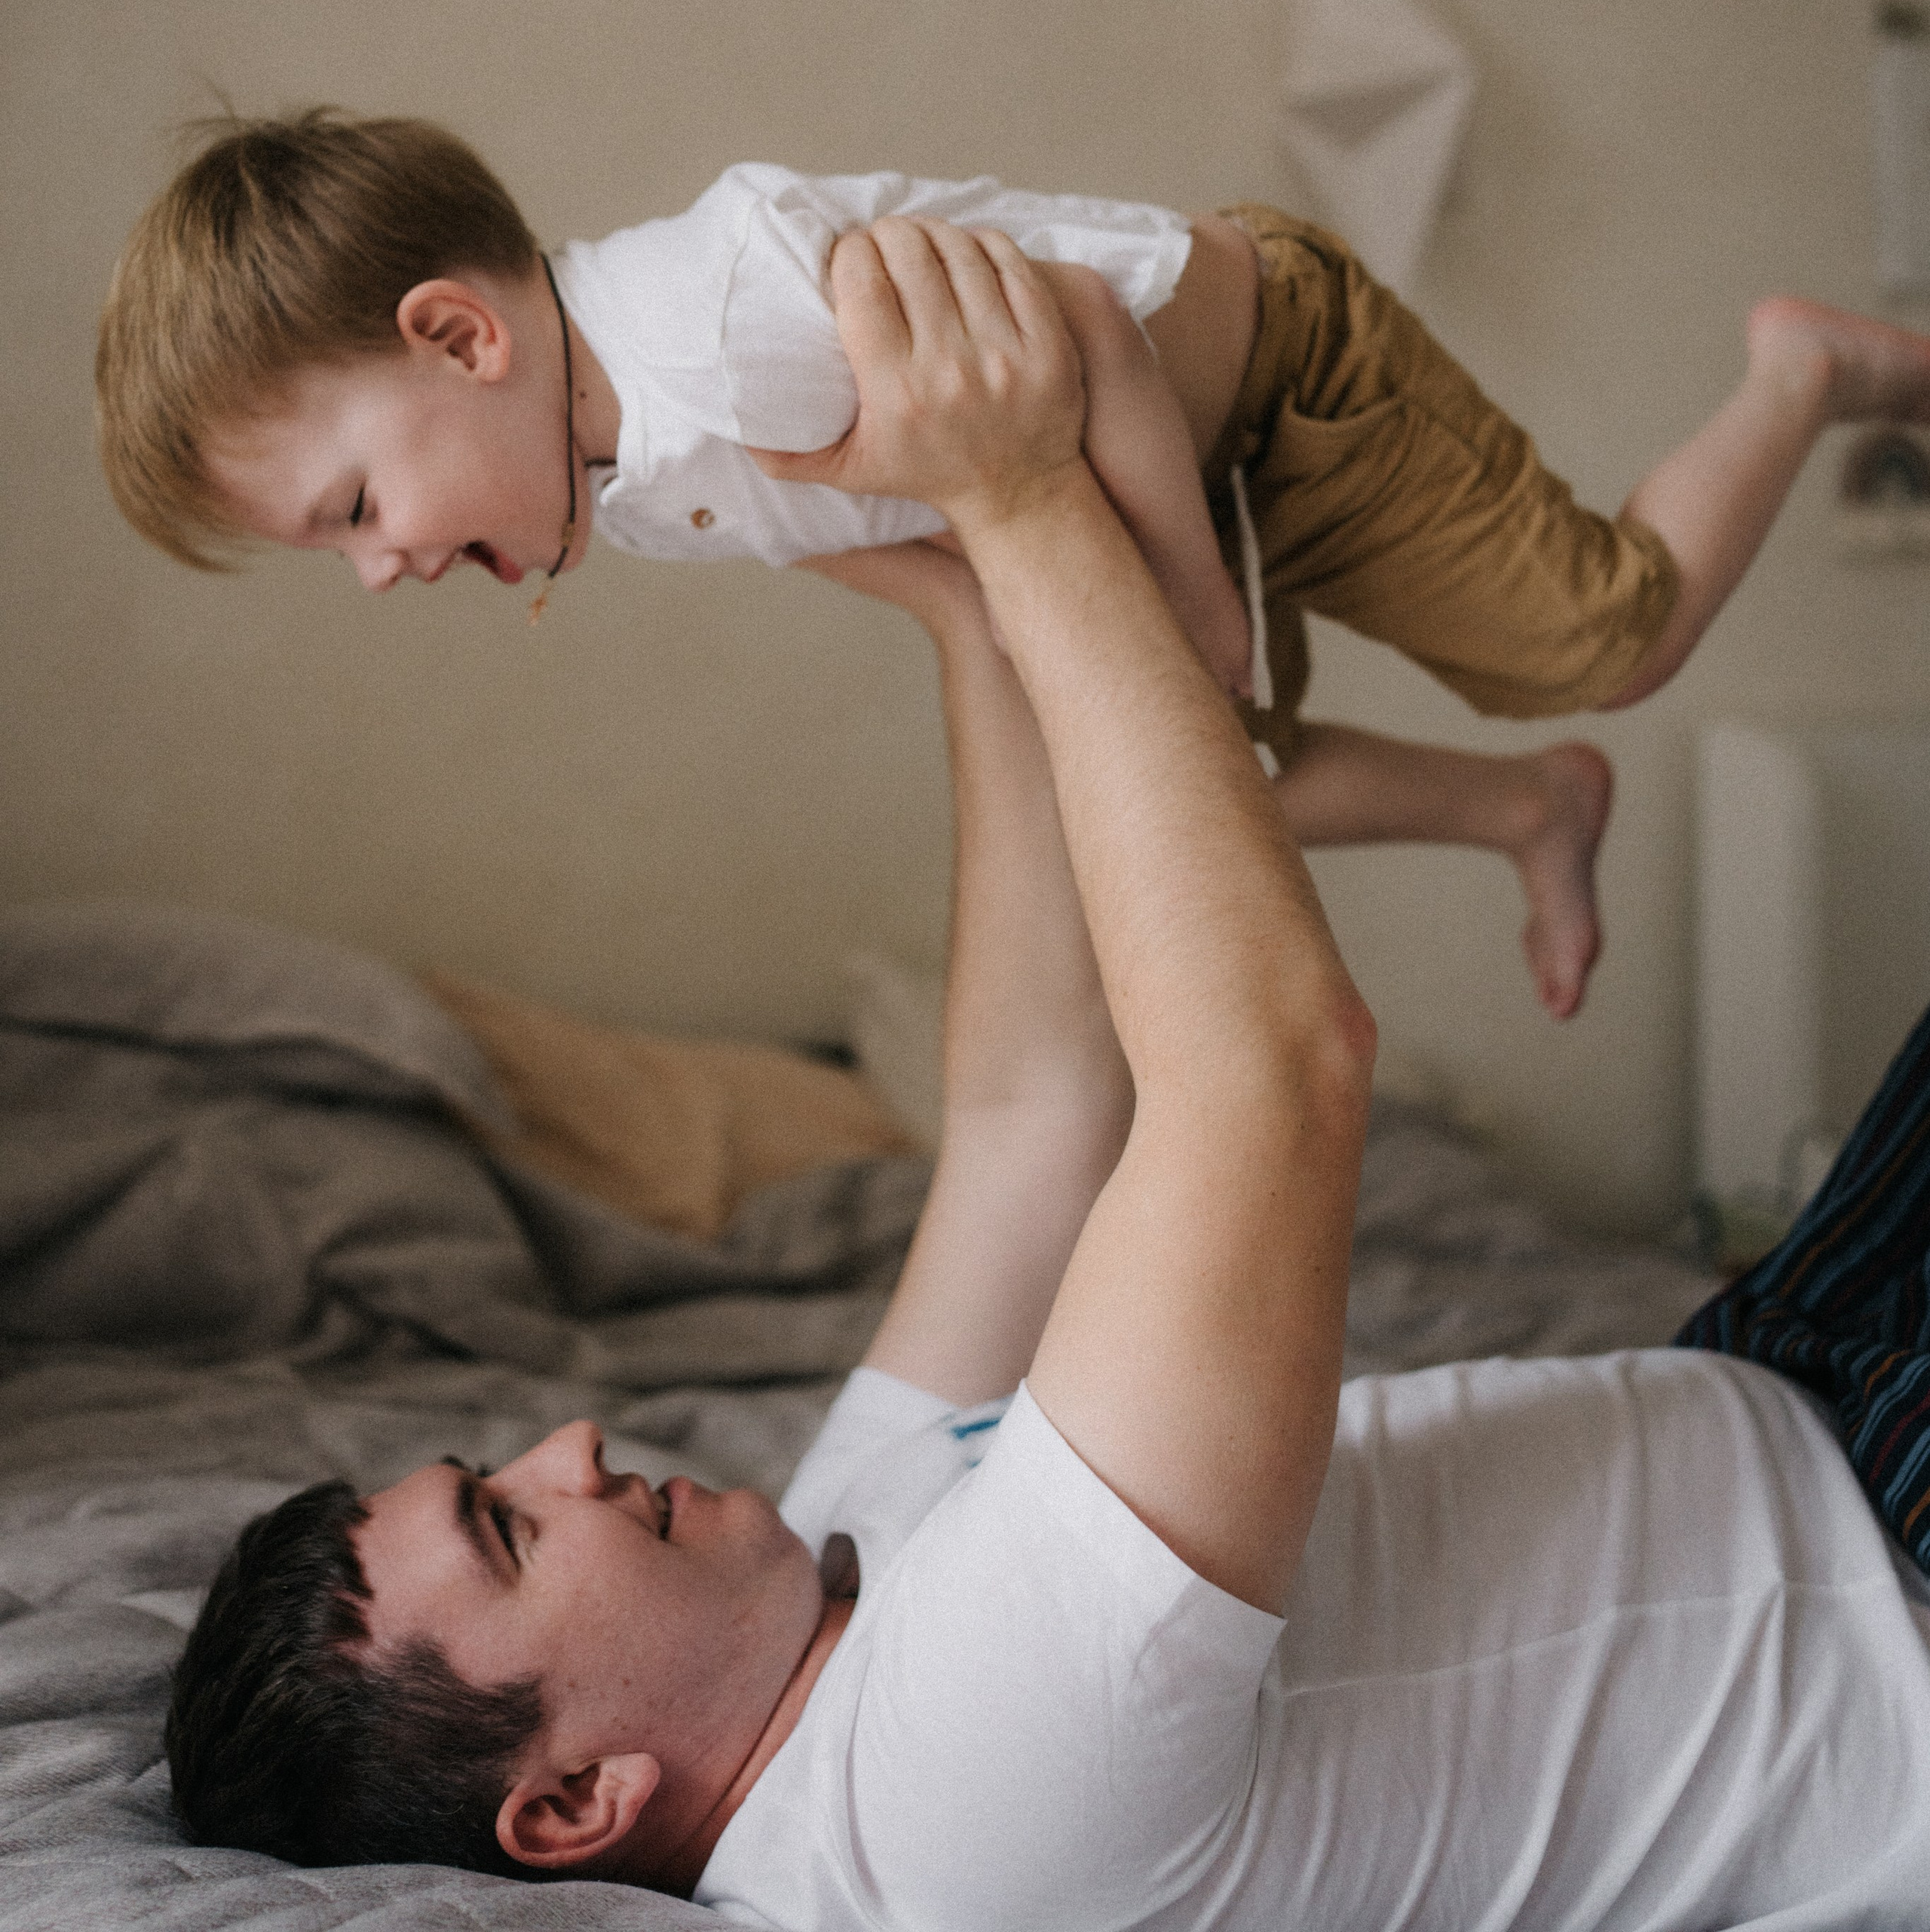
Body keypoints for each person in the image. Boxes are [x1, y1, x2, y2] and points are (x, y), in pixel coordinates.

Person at [166, 219, 1930, 1923]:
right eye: (507, 1530)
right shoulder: (954, 1803)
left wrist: (968, 609)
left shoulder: (826, 1576)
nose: (564, 1447)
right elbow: (1269, 1073)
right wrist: (1021, 507)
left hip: (1788, 1375)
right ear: (571, 1806)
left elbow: (1026, 1119)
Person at [97, 109, 1930, 1015]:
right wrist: (1055, 671)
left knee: (1604, 634)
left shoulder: (715, 325)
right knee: (1148, 796)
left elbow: (1086, 337)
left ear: (457, 337)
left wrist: (1190, 622)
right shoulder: (609, 468)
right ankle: (1528, 808)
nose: (381, 572)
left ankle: (1800, 375)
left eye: (350, 511)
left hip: (1272, 371)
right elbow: (873, 541)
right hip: (1131, 476)